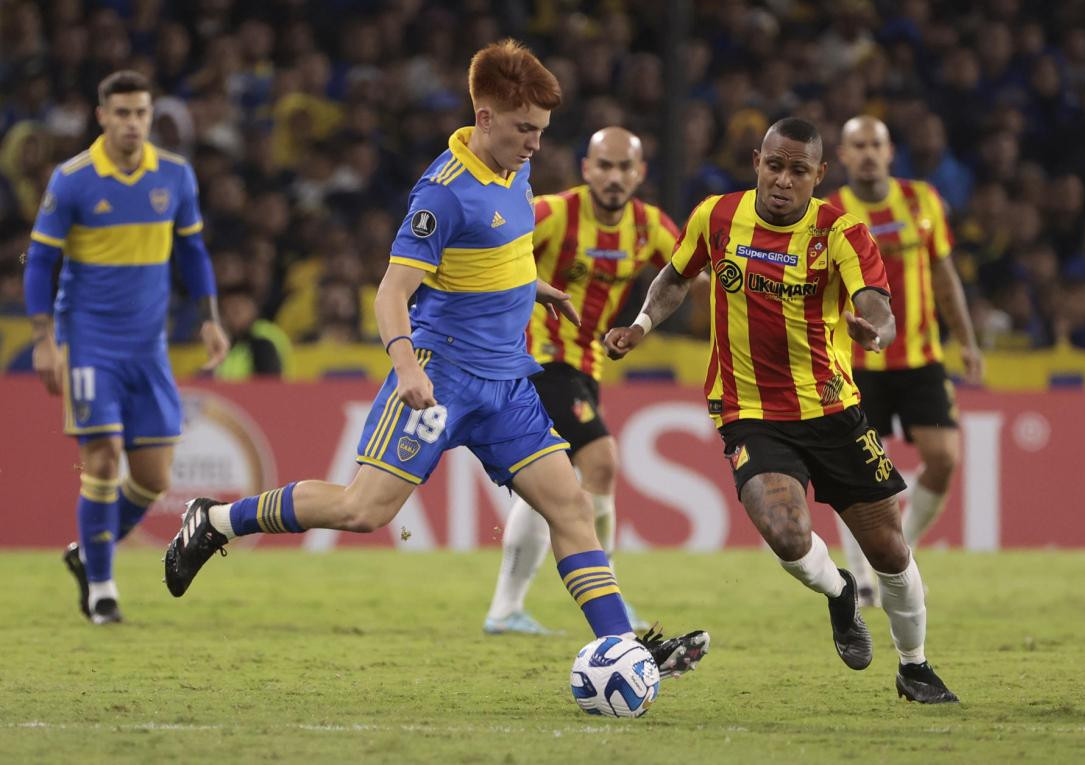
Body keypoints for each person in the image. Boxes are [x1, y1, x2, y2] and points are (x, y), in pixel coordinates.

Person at [163, 40, 709, 677]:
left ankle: (622, 648)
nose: (536, 144)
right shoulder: (442, 194)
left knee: (571, 506)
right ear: (485, 118)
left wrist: (531, 287)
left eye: (540, 131)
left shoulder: (514, 169)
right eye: (525, 129)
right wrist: (406, 368)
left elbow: (492, 249)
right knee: (361, 510)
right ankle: (217, 519)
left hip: (507, 382)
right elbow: (392, 291)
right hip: (441, 376)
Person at [605, 117, 958, 703]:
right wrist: (640, 325)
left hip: (832, 409)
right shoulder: (715, 217)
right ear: (757, 162)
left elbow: (877, 306)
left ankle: (914, 666)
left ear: (819, 176)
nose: (783, 180)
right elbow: (674, 277)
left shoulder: (843, 233)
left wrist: (874, 331)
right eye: (774, 166)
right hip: (748, 410)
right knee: (787, 534)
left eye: (798, 171)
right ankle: (841, 592)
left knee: (891, 549)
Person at [24, 70, 229, 624]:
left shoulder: (175, 176)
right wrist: (44, 339)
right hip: (89, 341)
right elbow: (40, 260)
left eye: (140, 113)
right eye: (121, 113)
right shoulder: (73, 180)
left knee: (155, 478)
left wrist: (209, 317)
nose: (132, 124)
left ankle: (85, 554)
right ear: (102, 117)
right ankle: (101, 588)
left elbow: (193, 253)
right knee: (104, 456)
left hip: (148, 345)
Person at [483, 126, 681, 635]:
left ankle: (505, 609)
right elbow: (496, 248)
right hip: (538, 360)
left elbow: (689, 270)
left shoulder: (648, 227)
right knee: (601, 460)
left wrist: (641, 323)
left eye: (625, 167)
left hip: (586, 367)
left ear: (640, 173)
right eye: (605, 166)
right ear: (586, 168)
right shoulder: (555, 213)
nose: (614, 177)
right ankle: (608, 592)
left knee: (544, 484)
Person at [826, 115, 983, 606]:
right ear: (845, 156)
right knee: (853, 476)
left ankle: (901, 549)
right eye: (858, 145)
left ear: (890, 151)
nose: (868, 153)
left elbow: (943, 274)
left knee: (944, 459)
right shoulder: (828, 213)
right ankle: (863, 575)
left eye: (876, 143)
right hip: (854, 363)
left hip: (919, 358)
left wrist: (967, 340)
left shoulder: (923, 201)